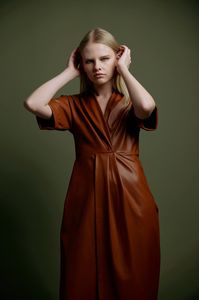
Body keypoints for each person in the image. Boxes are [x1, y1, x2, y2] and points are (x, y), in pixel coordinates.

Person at [24, 27, 160, 300]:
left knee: (135, 274)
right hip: (85, 199)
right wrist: (68, 73)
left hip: (131, 199)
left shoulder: (129, 103)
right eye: (89, 61)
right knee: (82, 271)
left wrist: (125, 71)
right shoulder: (74, 105)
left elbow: (146, 107)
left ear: (118, 59)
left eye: (105, 58)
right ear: (81, 64)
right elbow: (33, 103)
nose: (97, 66)